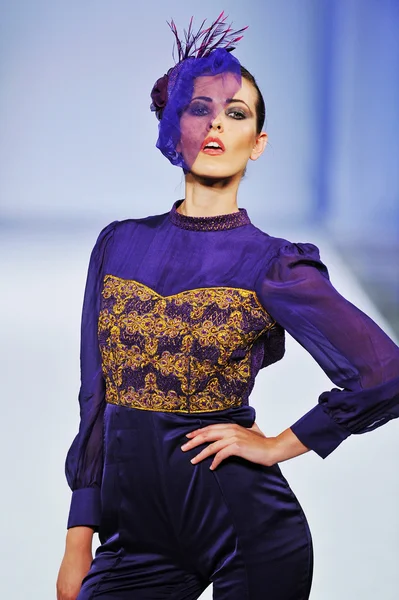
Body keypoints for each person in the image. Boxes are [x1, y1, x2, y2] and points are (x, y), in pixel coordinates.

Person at [56, 12, 399, 600]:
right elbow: (97, 399)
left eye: (236, 114)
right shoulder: (118, 243)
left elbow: (385, 373)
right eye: (199, 109)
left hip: (248, 531)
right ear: (173, 129)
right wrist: (77, 539)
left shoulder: (274, 264)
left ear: (257, 143)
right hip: (133, 541)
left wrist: (278, 443)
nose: (217, 124)